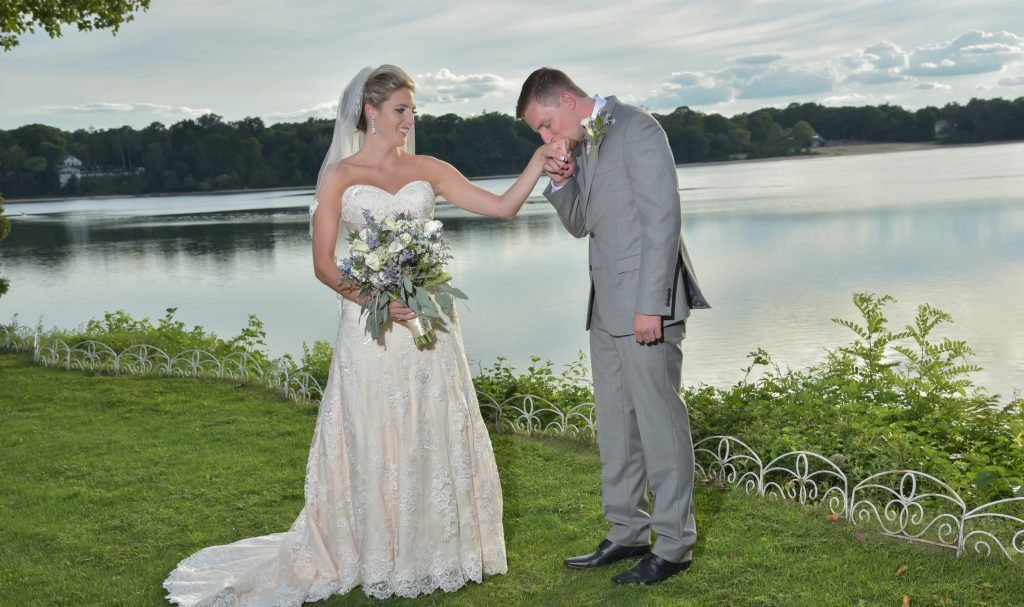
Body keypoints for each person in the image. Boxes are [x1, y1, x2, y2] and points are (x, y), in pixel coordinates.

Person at [164, 64, 566, 605]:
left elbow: (502, 208)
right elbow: (324, 265)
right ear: (370, 112)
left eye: (412, 110)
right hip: (372, 330)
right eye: (400, 110)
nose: (409, 120)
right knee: (376, 428)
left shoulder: (430, 168)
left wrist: (539, 161)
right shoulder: (340, 177)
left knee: (431, 424)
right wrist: (380, 299)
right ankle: (374, 549)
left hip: (431, 327)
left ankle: (441, 549)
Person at [516, 67, 710, 586]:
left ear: (567, 100)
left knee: (660, 425)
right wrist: (560, 181)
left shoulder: (638, 128)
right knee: (617, 428)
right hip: (604, 308)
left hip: (646, 306)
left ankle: (674, 545)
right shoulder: (582, 143)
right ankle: (627, 530)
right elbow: (582, 222)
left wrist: (651, 304)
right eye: (540, 131)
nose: (546, 137)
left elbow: (663, 219)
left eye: (545, 124)